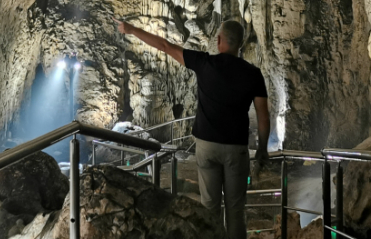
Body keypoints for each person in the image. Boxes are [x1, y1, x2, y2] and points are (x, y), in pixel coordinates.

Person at [115, 18, 270, 239]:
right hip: (236, 148)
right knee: (236, 210)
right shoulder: (253, 74)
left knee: (209, 207)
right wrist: (262, 149)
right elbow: (263, 117)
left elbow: (165, 46)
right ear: (241, 44)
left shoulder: (204, 63)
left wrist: (130, 29)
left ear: (218, 40)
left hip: (207, 146)